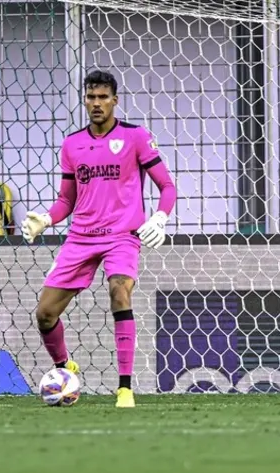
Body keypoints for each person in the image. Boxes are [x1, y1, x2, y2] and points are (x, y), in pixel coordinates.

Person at [20, 70, 178, 408]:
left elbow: (167, 186)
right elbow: (67, 200)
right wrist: (46, 219)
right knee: (45, 314)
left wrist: (161, 217)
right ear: (85, 100)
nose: (96, 103)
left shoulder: (135, 137)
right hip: (81, 237)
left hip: (122, 235)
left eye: (103, 97)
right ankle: (65, 369)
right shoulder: (72, 144)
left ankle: (124, 389)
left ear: (115, 100)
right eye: (91, 97)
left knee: (119, 289)